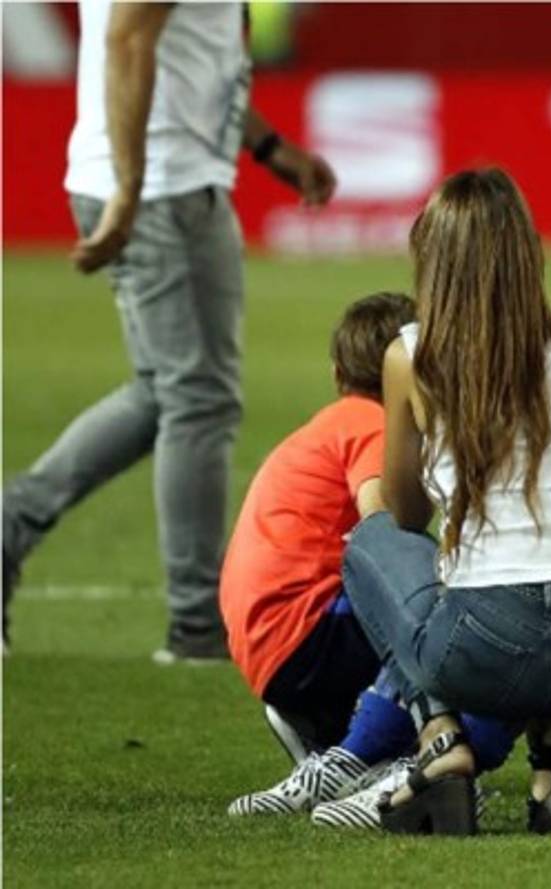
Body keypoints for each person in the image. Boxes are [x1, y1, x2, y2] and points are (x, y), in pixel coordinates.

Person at [1, 1, 336, 661]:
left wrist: (268, 147)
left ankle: (9, 529)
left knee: (167, 393)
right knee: (197, 399)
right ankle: (195, 625)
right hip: (157, 192)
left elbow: (196, 65)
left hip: (173, 182)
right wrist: (129, 189)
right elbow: (127, 41)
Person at [336, 168, 551, 836]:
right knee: (544, 613)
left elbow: (406, 514)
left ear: (435, 262)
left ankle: (441, 742)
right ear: (529, 253)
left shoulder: (414, 357)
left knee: (371, 542)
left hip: (485, 647)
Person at [221, 292, 423, 817]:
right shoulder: (373, 423)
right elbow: (382, 528)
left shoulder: (332, 421)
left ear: (338, 371)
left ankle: (333, 734)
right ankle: (382, 757)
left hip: (271, 643)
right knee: (448, 604)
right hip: (309, 636)